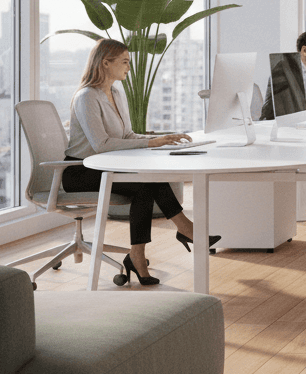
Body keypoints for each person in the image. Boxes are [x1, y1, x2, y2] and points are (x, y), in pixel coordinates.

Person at [61, 38, 215, 286]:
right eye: (124, 62)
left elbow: (128, 136)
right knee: (146, 183)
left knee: (146, 183)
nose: (129, 67)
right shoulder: (86, 97)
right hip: (81, 170)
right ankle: (184, 230)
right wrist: (150, 143)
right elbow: (101, 144)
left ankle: (139, 256)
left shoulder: (116, 93)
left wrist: (161, 139)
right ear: (105, 63)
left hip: (106, 166)